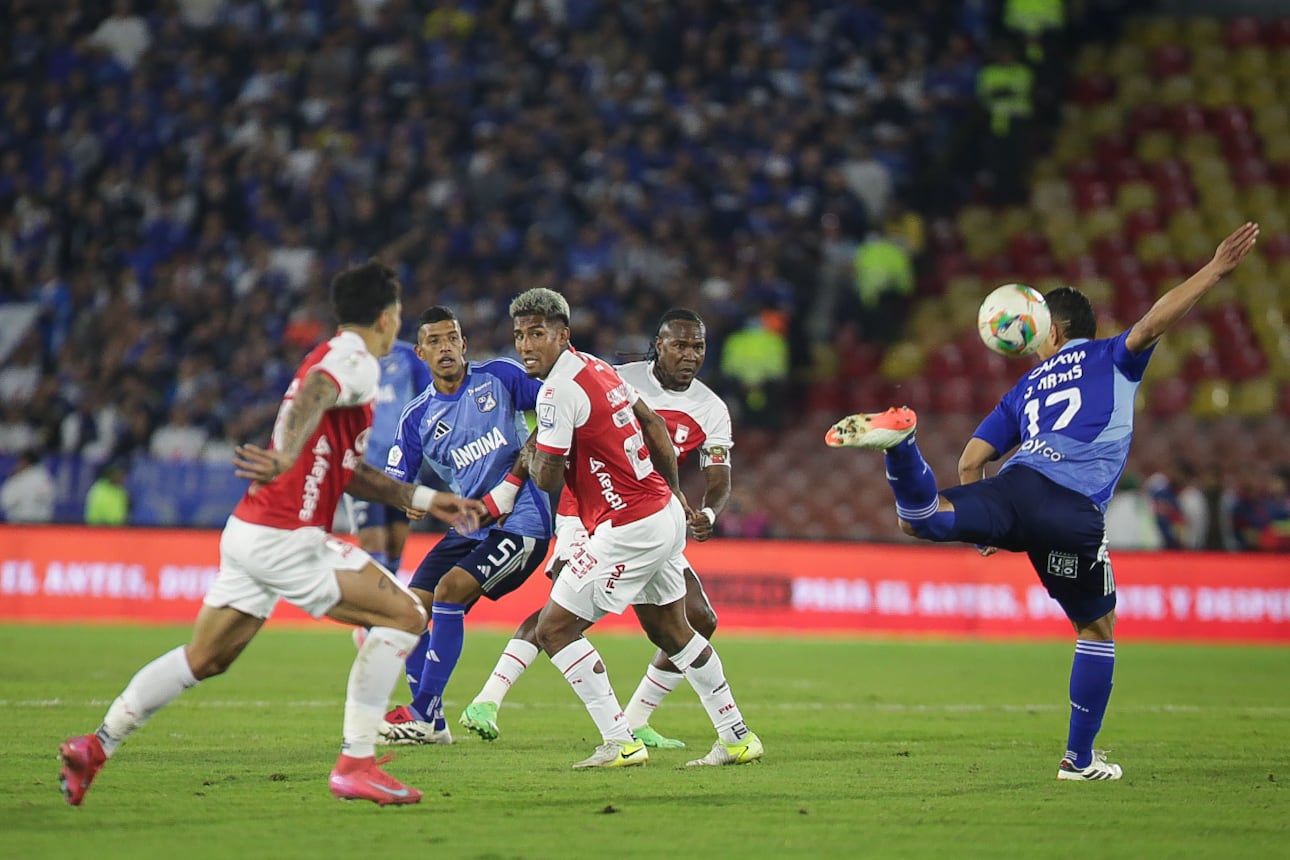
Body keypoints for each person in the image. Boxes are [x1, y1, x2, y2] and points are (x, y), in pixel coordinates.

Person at [824, 223, 1259, 781]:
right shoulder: (1111, 355)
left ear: (1051, 330)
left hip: (1015, 488)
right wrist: (1216, 269)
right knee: (1096, 629)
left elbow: (969, 461)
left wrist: (987, 531)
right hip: (1072, 509)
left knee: (926, 520)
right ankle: (1078, 760)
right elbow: (1155, 319)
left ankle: (903, 447)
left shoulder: (1025, 387)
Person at [57, 260, 487, 807]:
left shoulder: (335, 354)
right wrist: (286, 451)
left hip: (248, 533)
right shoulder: (352, 360)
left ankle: (95, 745)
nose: (397, 327)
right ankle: (356, 762)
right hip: (288, 536)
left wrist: (426, 499)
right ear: (384, 317)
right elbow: (316, 391)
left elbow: (349, 473)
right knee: (406, 615)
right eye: (398, 315)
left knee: (205, 659)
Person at [506, 287, 761, 769]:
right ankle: (736, 736)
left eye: (537, 334)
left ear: (563, 335)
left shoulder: (558, 391)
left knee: (554, 628)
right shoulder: (599, 368)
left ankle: (620, 740)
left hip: (628, 524)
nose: (525, 346)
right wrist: (673, 492)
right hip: (659, 511)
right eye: (519, 335)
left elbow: (547, 477)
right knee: (673, 629)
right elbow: (655, 427)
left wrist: (534, 443)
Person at [375, 305, 552, 745]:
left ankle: (421, 711)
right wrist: (409, 501)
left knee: (449, 591)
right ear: (421, 353)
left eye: (451, 338)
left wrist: (515, 478)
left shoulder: (500, 377)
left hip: (522, 523)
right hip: (470, 526)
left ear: (463, 344)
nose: (445, 347)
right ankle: (432, 723)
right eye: (434, 341)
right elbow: (397, 481)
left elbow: (555, 411)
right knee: (405, 613)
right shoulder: (417, 417)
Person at [344, 328, 430, 575]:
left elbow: (428, 398)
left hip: (402, 467)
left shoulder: (409, 356)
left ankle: (386, 604)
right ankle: (374, 609)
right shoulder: (350, 359)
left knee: (395, 546)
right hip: (364, 469)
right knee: (374, 548)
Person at [0, 450, 56, 523]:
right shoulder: (44, 477)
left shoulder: (18, 479)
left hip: (23, 523)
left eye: (20, 461)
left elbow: (6, 501)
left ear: (26, 462)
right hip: (39, 523)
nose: (18, 464)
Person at [84, 460, 130, 525]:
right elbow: (93, 514)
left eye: (123, 475)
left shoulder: (122, 492)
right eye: (119, 474)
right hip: (100, 529)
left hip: (118, 530)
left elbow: (123, 515)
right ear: (111, 474)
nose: (122, 478)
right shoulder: (99, 489)